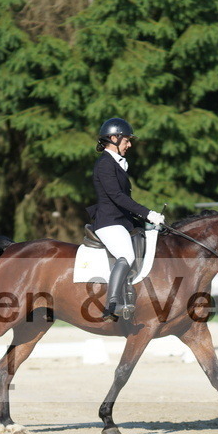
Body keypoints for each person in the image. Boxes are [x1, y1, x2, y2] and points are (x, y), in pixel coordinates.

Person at [87, 118, 164, 320]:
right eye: (126, 140)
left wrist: (148, 222)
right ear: (113, 138)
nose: (129, 144)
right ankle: (112, 304)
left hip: (122, 220)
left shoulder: (117, 163)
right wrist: (148, 213)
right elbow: (117, 197)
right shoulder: (105, 163)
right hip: (109, 221)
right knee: (126, 255)